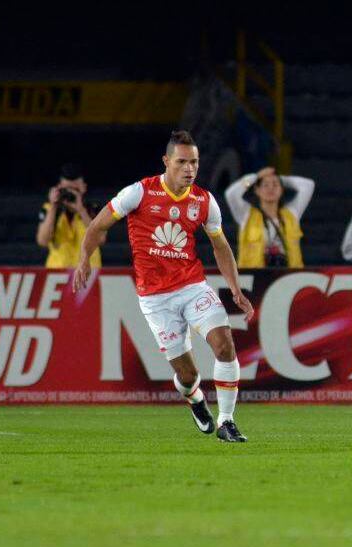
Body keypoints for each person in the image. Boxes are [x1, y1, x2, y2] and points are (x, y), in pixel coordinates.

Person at [73, 130, 255, 444]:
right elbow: (98, 224)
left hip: (192, 286)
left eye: (194, 162)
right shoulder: (139, 193)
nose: (189, 169)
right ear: (166, 161)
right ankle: (195, 398)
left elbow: (221, 246)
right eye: (182, 162)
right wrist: (84, 259)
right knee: (188, 375)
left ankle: (227, 421)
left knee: (224, 343)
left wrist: (234, 288)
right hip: (155, 297)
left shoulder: (204, 201)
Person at [224, 166, 315, 268]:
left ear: (282, 190)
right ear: (257, 190)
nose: (271, 188)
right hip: (254, 276)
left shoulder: (292, 214)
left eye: (275, 185)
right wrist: (256, 177)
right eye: (265, 185)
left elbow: (308, 185)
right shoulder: (246, 215)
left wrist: (279, 178)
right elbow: (231, 194)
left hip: (290, 276)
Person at [37, 164, 102, 269]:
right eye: (67, 189)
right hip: (57, 273)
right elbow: (43, 241)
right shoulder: (49, 209)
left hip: (89, 274)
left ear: (84, 187)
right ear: (59, 188)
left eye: (75, 189)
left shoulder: (92, 209)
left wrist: (81, 210)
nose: (71, 193)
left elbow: (100, 239)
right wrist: (54, 206)